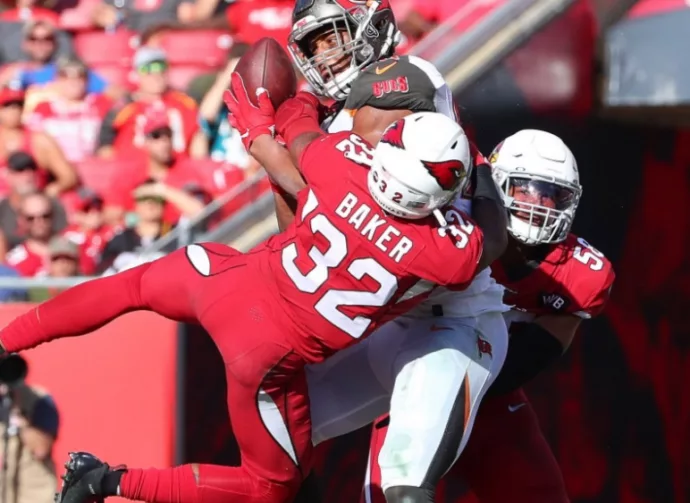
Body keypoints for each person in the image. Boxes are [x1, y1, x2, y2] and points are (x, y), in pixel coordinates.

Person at [0, 101, 487, 503]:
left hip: (226, 278)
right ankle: (105, 480)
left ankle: (7, 340)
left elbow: (297, 125)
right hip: (266, 355)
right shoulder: (445, 253)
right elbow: (491, 236)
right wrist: (481, 175)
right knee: (269, 487)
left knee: (128, 287)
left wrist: (296, 101)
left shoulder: (339, 160)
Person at [244, 4, 509, 502]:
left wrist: (276, 133)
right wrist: (275, 158)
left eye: (331, 36)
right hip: (385, 324)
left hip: (451, 320)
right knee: (273, 440)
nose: (323, 54)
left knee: (403, 489)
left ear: (373, 25)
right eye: (313, 45)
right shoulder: (337, 114)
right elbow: (308, 224)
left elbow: (350, 201)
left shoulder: (407, 82)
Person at [363, 130, 616, 503]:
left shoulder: (581, 274)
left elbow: (535, 353)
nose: (539, 204)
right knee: (393, 495)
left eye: (552, 194)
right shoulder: (454, 230)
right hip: (414, 377)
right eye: (524, 190)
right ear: (496, 186)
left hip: (492, 398)